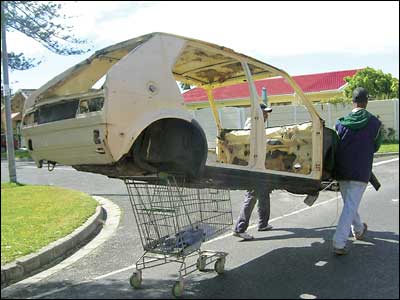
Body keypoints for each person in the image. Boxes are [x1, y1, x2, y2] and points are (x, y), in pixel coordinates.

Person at [332, 87, 382, 255]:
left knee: (349, 205)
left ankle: (359, 230)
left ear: (352, 102)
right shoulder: (375, 123)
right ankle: (339, 242)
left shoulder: (340, 122)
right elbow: (376, 146)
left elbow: (334, 145)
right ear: (366, 102)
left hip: (341, 171)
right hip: (360, 172)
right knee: (350, 207)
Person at [233, 103, 273, 240]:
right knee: (252, 195)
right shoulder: (252, 124)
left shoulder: (258, 124)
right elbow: (251, 143)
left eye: (267, 113)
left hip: (259, 165)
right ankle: (240, 228)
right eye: (265, 113)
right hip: (254, 167)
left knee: (264, 193)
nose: (267, 115)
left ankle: (263, 223)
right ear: (258, 113)